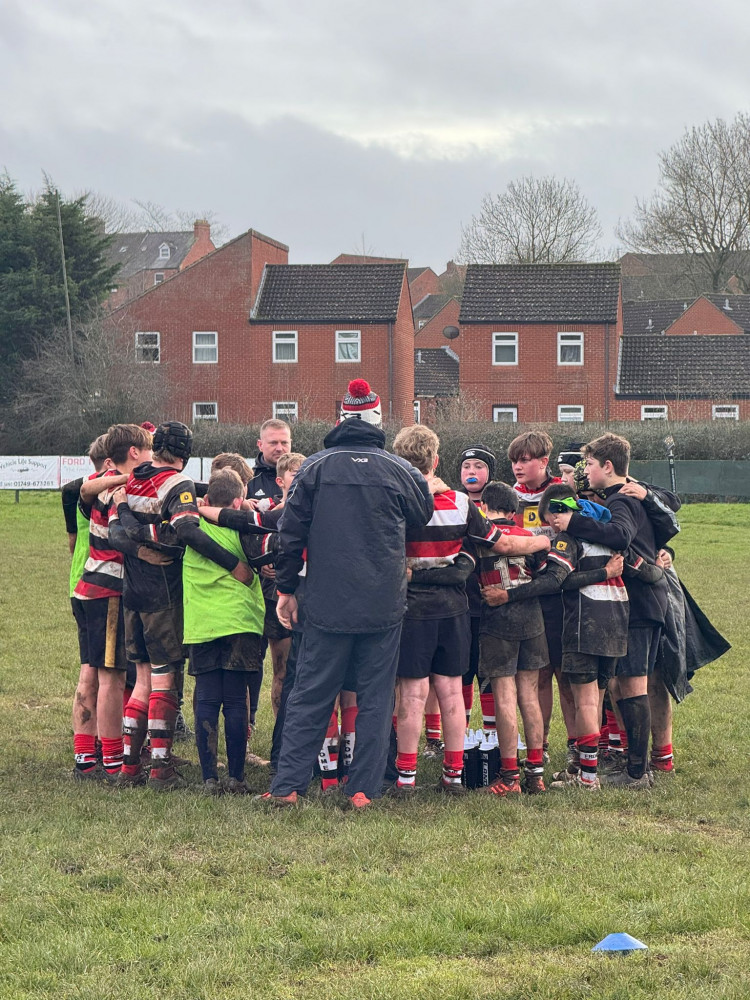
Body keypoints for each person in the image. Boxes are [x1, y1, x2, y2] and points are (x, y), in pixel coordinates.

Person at [261, 379, 434, 809]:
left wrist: (286, 589)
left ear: (341, 418)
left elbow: (288, 532)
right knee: (376, 699)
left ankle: (287, 787)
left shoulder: (315, 467)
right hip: (383, 603)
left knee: (310, 693)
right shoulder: (400, 470)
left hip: (325, 602)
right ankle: (363, 790)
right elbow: (423, 514)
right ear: (377, 419)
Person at [109, 421, 257, 790]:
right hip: (163, 594)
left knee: (141, 679)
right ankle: (160, 768)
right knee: (163, 679)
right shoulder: (177, 484)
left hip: (132, 592)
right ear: (186, 454)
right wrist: (234, 565)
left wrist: (139, 546)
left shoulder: (129, 482)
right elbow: (188, 530)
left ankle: (130, 767)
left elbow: (116, 532)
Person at [547, 433, 669, 790]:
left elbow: (619, 536)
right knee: (621, 685)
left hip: (641, 604)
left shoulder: (623, 500)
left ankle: (635, 773)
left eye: (590, 465)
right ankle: (632, 764)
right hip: (637, 600)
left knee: (632, 686)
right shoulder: (624, 496)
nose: (586, 472)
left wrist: (571, 523)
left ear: (608, 467)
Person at [391, 427, 505, 795]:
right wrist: (539, 540)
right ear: (436, 461)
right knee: (452, 692)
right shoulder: (459, 501)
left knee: (411, 694)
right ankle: (453, 776)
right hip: (454, 606)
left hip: (411, 606)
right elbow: (490, 541)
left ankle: (406, 778)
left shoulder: (394, 501)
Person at [73, 424, 153, 781]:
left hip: (89, 589)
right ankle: (111, 760)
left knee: (90, 673)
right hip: (108, 592)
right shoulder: (118, 486)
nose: (152, 459)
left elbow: (84, 488)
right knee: (112, 677)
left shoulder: (104, 479)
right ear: (134, 452)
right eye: (148, 452)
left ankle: (85, 758)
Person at [183, 469, 267, 794]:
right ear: (238, 501)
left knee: (205, 697)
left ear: (205, 501)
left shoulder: (190, 527)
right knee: (235, 700)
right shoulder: (244, 528)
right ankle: (236, 776)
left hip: (203, 623)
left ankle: (208, 779)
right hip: (240, 622)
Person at [474, 482, 550, 796]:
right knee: (529, 696)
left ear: (484, 507)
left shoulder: (479, 536)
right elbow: (547, 576)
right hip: (532, 619)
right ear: (514, 510)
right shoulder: (530, 537)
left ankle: (509, 777)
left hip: (497, 621)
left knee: (504, 697)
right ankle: (535, 773)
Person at [508, 429, 576, 763]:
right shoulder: (511, 496)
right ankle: (543, 744)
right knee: (541, 674)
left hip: (560, 594)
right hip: (525, 593)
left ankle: (578, 745)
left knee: (567, 674)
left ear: (543, 462)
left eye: (524, 460)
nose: (518, 467)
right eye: (514, 461)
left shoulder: (561, 492)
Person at [456, 445, 498, 734]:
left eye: (478, 466)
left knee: (489, 673)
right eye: (467, 466)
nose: (472, 472)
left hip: (494, 603)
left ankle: (491, 733)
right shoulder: (453, 503)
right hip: (460, 602)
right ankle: (461, 733)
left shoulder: (502, 504)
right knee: (461, 672)